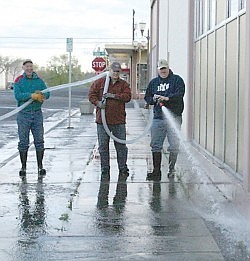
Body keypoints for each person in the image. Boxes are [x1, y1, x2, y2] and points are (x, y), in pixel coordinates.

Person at [88, 62, 131, 181]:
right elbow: (91, 95)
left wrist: (113, 96)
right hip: (102, 121)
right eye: (114, 71)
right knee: (103, 146)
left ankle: (123, 168)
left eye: (118, 71)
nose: (116, 73)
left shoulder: (123, 84)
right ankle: (105, 169)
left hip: (119, 121)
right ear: (109, 71)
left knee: (121, 146)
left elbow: (127, 97)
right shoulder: (100, 83)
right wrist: (98, 103)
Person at [144, 59, 185, 181]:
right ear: (158, 69)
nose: (163, 71)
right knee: (156, 145)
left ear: (168, 68)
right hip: (158, 118)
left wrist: (167, 98)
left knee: (174, 146)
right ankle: (156, 172)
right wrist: (152, 100)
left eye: (165, 69)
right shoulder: (154, 82)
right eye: (161, 69)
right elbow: (147, 96)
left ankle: (171, 169)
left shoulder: (177, 80)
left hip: (174, 117)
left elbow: (180, 94)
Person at [14, 59, 50, 177]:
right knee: (23, 142)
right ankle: (23, 167)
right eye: (27, 66)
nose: (29, 68)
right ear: (23, 68)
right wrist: (31, 95)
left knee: (39, 140)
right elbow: (18, 96)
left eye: (31, 66)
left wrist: (42, 94)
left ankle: (40, 166)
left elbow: (48, 93)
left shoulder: (39, 81)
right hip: (23, 114)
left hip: (37, 113)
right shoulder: (19, 81)